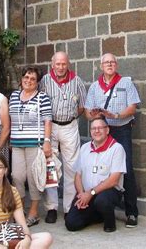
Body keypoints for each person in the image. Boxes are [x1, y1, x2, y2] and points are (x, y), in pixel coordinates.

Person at [84, 53, 141, 228]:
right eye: (106, 62)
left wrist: (115, 115)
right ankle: (101, 207)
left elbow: (133, 107)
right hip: (102, 131)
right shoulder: (94, 87)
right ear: (101, 65)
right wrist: (95, 115)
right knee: (99, 169)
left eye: (112, 62)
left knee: (126, 170)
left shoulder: (126, 83)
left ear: (116, 64)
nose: (109, 64)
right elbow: (87, 112)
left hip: (122, 129)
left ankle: (131, 212)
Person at [0, 153, 53, 249]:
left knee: (46, 237)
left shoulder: (13, 191)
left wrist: (27, 238)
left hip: (9, 238)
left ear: (5, 170)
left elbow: (22, 223)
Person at [39, 51, 87, 223]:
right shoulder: (44, 81)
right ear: (52, 65)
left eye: (63, 64)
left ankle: (68, 208)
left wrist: (70, 116)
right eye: (57, 64)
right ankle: (51, 207)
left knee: (71, 167)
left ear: (68, 64)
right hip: (50, 127)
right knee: (50, 166)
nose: (60, 67)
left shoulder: (77, 81)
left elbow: (82, 106)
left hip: (69, 126)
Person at [8, 66, 53, 227]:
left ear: (37, 82)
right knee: (17, 176)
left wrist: (47, 141)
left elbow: (48, 120)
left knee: (33, 177)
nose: (28, 81)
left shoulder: (42, 98)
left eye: (32, 79)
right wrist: (10, 140)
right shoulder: (13, 96)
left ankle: (34, 212)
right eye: (26, 77)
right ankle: (20, 209)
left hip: (35, 143)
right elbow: (10, 120)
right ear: (21, 79)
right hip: (17, 144)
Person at [65, 117, 126, 233]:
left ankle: (110, 223)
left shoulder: (117, 149)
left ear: (107, 130)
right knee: (71, 224)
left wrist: (90, 193)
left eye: (100, 128)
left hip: (109, 192)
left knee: (102, 201)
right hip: (88, 193)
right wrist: (82, 194)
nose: (96, 131)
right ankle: (97, 215)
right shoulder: (85, 148)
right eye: (93, 128)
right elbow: (77, 175)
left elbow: (113, 180)